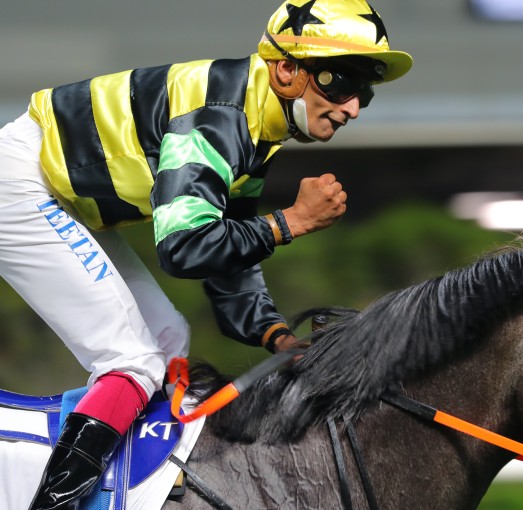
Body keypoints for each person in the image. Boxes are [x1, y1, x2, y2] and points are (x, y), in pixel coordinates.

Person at [0, 0, 412, 507]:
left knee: (169, 338)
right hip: (23, 184)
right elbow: (184, 247)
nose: (352, 108)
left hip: (56, 190)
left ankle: (132, 489)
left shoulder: (257, 124)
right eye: (340, 83)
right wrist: (290, 222)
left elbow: (227, 248)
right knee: (133, 359)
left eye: (363, 92)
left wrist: (274, 334)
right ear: (286, 70)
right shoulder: (220, 117)